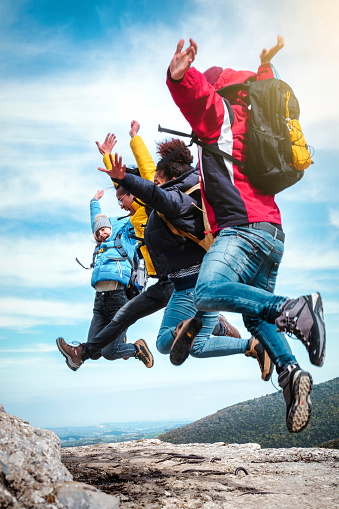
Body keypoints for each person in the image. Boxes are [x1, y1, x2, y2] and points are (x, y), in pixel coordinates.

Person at [166, 36, 326, 433]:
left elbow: (200, 101)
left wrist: (180, 77)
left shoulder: (220, 116)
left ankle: (295, 308)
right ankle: (290, 374)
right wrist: (266, 65)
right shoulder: (258, 122)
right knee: (255, 318)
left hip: (243, 230)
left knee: (205, 292)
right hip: (273, 233)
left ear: (220, 89)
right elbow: (261, 86)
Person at [56, 125, 247, 372]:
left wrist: (135, 140)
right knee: (125, 319)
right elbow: (113, 200)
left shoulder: (154, 201)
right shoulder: (133, 220)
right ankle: (214, 325)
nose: (121, 204)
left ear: (136, 193)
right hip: (166, 280)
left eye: (122, 199)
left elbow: (145, 172)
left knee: (126, 319)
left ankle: (82, 352)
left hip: (181, 279)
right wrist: (107, 159)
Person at [97, 143, 274, 382]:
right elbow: (151, 178)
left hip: (189, 283)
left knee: (162, 343)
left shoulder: (175, 201)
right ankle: (253, 346)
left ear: (171, 179)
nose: (152, 185)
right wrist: (113, 158)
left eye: (157, 182)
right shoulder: (198, 191)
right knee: (198, 347)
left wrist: (124, 176)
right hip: (213, 277)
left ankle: (185, 327)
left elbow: (150, 187)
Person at [56, 189, 154, 370]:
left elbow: (138, 213)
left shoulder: (125, 236)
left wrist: (131, 190)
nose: (101, 233)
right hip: (99, 300)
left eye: (104, 229)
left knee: (109, 353)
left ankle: (137, 349)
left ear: (111, 226)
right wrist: (94, 201)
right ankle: (112, 342)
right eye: (98, 232)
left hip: (118, 297)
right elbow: (96, 220)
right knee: (95, 351)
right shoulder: (101, 246)